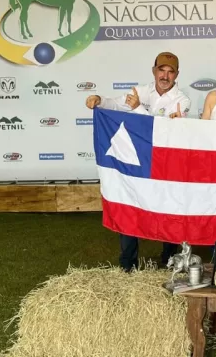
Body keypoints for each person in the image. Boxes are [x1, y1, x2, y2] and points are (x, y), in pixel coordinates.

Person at [86, 51, 191, 271]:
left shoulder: (183, 100)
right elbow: (115, 103)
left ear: (177, 75)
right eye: (161, 70)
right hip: (137, 162)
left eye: (170, 72)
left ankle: (169, 257)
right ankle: (128, 263)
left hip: (164, 164)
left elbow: (163, 130)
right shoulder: (141, 91)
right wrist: (99, 100)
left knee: (167, 207)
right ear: (154, 71)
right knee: (130, 204)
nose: (165, 75)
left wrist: (137, 108)